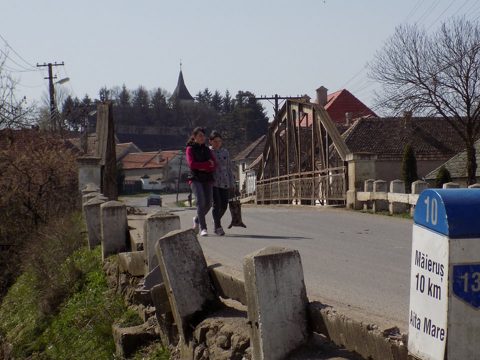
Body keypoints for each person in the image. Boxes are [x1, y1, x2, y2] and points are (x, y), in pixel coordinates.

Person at [186, 127, 217, 236]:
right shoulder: (190, 149)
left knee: (208, 203)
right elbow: (192, 164)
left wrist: (205, 167)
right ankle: (203, 228)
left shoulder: (207, 150)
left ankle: (197, 220)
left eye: (203, 136)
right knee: (200, 201)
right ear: (194, 137)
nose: (202, 138)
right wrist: (206, 165)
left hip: (207, 178)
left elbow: (215, 164)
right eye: (200, 135)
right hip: (195, 178)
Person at [209, 130, 235, 236]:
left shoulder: (225, 152)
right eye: (215, 141)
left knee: (224, 205)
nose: (217, 143)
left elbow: (229, 168)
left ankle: (216, 222)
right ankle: (218, 227)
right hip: (213, 182)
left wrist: (232, 183)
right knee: (217, 204)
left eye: (219, 141)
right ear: (210, 141)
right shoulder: (208, 152)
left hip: (225, 181)